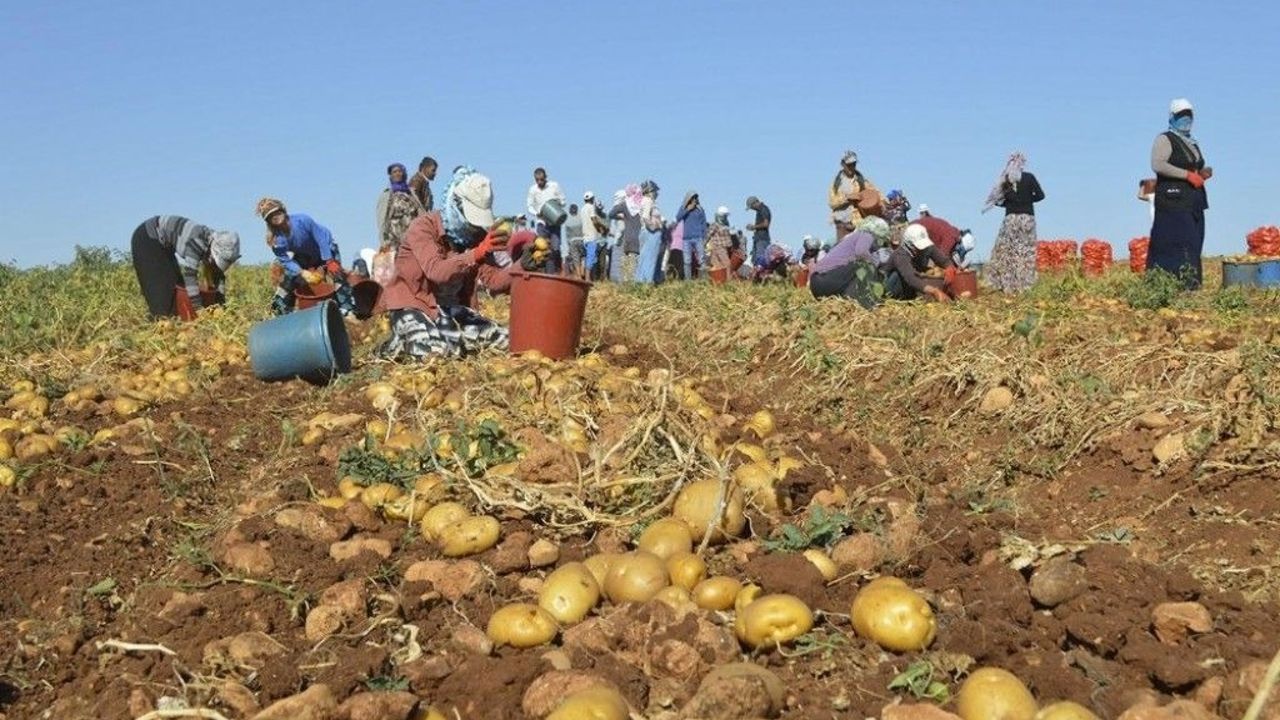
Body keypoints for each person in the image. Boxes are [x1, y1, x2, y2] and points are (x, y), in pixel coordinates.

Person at [379, 167, 512, 360]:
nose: (473, 226)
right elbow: (436, 270)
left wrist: (522, 267)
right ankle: (394, 345)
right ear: (454, 203)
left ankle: (448, 338)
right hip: (412, 304)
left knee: (504, 339)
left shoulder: (475, 235)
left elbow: (493, 280)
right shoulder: (423, 227)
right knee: (435, 353)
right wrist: (475, 253)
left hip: (446, 308)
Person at [1148, 98, 1212, 289]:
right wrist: (1186, 176)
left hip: (1194, 200)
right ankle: (1168, 284)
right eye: (1181, 115)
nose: (1186, 119)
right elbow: (1158, 164)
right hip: (1173, 202)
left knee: (1194, 243)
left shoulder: (1191, 142)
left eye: (1189, 115)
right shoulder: (1165, 139)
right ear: (1172, 117)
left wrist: (1201, 174)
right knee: (1176, 242)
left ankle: (1191, 285)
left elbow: (1191, 166)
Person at [256, 197, 357, 316]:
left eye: (277, 212)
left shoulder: (303, 220)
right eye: (270, 216)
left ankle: (347, 309)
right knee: (289, 277)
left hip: (326, 248)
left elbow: (321, 239)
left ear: (283, 210)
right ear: (268, 222)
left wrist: (329, 261)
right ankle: (281, 311)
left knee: (337, 274)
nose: (275, 216)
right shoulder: (277, 240)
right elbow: (285, 260)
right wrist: (302, 272)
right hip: (305, 254)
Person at [130, 216, 240, 319]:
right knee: (162, 300)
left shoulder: (213, 243)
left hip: (164, 247)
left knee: (176, 288)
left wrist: (221, 305)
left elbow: (218, 275)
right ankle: (155, 325)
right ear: (214, 252)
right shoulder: (197, 242)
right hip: (147, 238)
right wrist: (199, 310)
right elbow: (190, 277)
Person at [982, 152, 1044, 293]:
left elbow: (997, 200)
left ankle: (1007, 285)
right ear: (1022, 164)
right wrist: (1027, 201)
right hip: (1027, 219)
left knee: (1008, 251)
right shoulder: (1030, 178)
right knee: (1026, 251)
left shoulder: (1006, 181)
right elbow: (1041, 196)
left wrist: (1010, 204)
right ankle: (1025, 285)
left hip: (1011, 220)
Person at [809, 216, 890, 308]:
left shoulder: (850, 239)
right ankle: (867, 303)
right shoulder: (866, 235)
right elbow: (861, 252)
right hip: (827, 280)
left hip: (817, 285)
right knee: (865, 265)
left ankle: (852, 300)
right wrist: (876, 261)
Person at [883, 224, 953, 302]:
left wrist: (949, 268)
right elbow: (911, 278)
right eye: (917, 246)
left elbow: (944, 260)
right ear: (909, 244)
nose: (921, 249)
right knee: (897, 275)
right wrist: (934, 291)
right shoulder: (900, 254)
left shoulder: (927, 248)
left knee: (924, 273)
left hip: (913, 286)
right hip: (894, 287)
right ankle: (899, 299)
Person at [827, 150, 881, 239]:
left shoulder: (862, 181)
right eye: (849, 165)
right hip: (842, 224)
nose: (851, 167)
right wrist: (847, 199)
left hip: (858, 223)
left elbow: (876, 194)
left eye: (853, 164)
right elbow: (832, 203)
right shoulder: (836, 184)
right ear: (843, 164)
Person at [376, 163, 426, 252]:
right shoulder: (387, 195)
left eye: (400, 171)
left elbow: (420, 212)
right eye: (394, 172)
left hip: (412, 237)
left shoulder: (411, 194)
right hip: (394, 239)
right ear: (391, 176)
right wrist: (383, 241)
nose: (397, 174)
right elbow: (382, 219)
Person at [526, 167, 567, 250]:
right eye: (537, 180)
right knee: (542, 248)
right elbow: (529, 206)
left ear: (546, 177)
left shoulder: (554, 186)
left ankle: (556, 262)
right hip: (542, 223)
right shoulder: (533, 190)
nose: (539, 182)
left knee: (555, 248)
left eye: (541, 179)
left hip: (555, 222)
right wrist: (536, 213)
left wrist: (558, 203)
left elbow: (563, 201)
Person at [609, 185, 644, 282]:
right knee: (634, 262)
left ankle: (624, 282)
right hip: (639, 238)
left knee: (625, 261)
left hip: (627, 237)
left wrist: (622, 217)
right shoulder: (642, 203)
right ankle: (632, 283)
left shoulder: (625, 204)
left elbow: (611, 214)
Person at [635, 180, 665, 284]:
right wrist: (655, 227)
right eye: (655, 191)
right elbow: (645, 217)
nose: (657, 193)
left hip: (645, 231)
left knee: (644, 257)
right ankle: (647, 282)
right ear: (650, 191)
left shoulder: (644, 201)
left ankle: (641, 282)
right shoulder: (648, 201)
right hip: (651, 233)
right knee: (650, 258)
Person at [676, 191, 707, 281]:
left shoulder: (700, 209)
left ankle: (703, 280)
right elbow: (678, 218)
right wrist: (687, 210)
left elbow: (703, 224)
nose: (694, 200)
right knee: (687, 261)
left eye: (695, 198)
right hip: (686, 238)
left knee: (702, 259)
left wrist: (704, 236)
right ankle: (688, 281)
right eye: (692, 198)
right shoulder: (683, 208)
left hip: (698, 237)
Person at [581, 191, 607, 281]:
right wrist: (602, 227)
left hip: (585, 237)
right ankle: (588, 279)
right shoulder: (591, 207)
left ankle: (590, 278)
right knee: (591, 258)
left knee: (590, 257)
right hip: (591, 236)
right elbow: (594, 221)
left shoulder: (582, 209)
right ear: (592, 199)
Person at [705, 206, 733, 277]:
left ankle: (719, 283)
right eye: (725, 216)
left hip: (724, 248)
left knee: (718, 266)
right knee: (727, 264)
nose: (726, 217)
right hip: (719, 247)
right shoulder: (715, 225)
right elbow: (708, 235)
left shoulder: (726, 224)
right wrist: (703, 244)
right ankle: (728, 281)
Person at [745, 196, 772, 267]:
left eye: (751, 207)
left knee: (760, 259)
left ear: (755, 203)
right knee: (754, 260)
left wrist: (753, 227)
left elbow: (766, 224)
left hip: (762, 239)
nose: (752, 209)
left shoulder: (764, 209)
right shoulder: (759, 211)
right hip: (758, 238)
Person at [563, 204, 585, 278]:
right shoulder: (581, 218)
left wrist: (568, 244)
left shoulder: (567, 221)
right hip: (582, 240)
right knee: (583, 257)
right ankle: (582, 271)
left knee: (576, 259)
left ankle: (579, 275)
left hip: (572, 241)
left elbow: (567, 235)